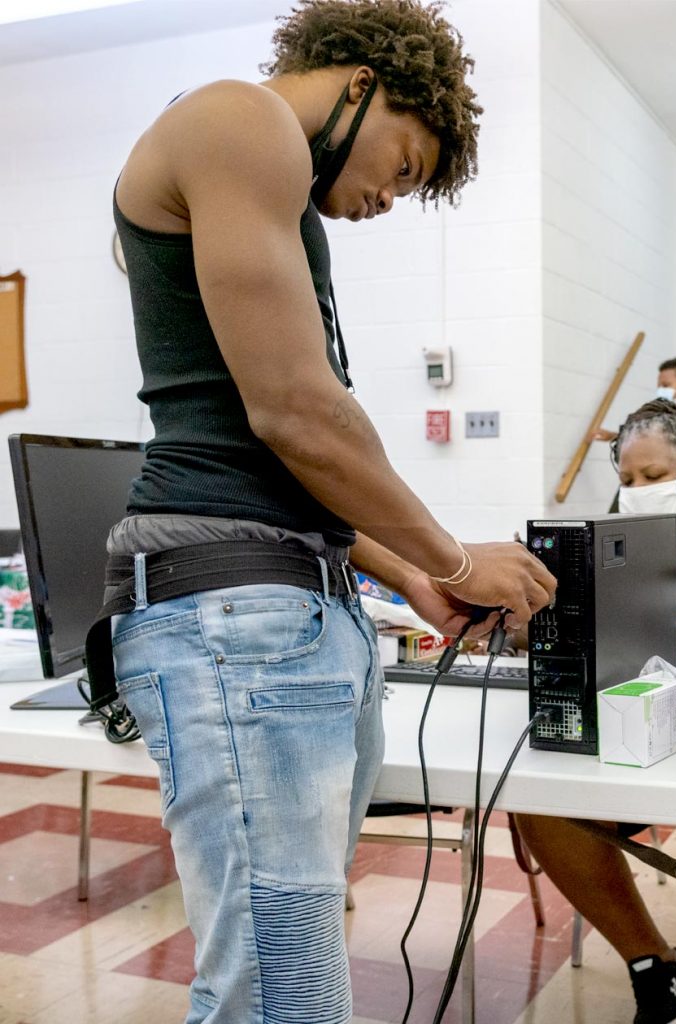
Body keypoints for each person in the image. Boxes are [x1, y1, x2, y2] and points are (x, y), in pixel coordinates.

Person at [96, 2, 557, 1022]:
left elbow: (285, 458)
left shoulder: (269, 181)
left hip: (284, 600)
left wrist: (411, 578)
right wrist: (449, 557)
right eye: (402, 165)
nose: (390, 199)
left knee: (295, 964)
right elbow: (297, 415)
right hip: (233, 606)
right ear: (361, 82)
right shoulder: (238, 118)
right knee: (282, 991)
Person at [516, 397, 676, 1024]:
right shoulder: (617, 551)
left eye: (656, 477)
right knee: (542, 796)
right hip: (638, 722)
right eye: (627, 481)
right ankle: (652, 963)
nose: (639, 492)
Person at [593, 358, 676, 444]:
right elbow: (654, 441)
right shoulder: (666, 415)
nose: (660, 390)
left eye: (666, 385)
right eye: (659, 386)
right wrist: (612, 436)